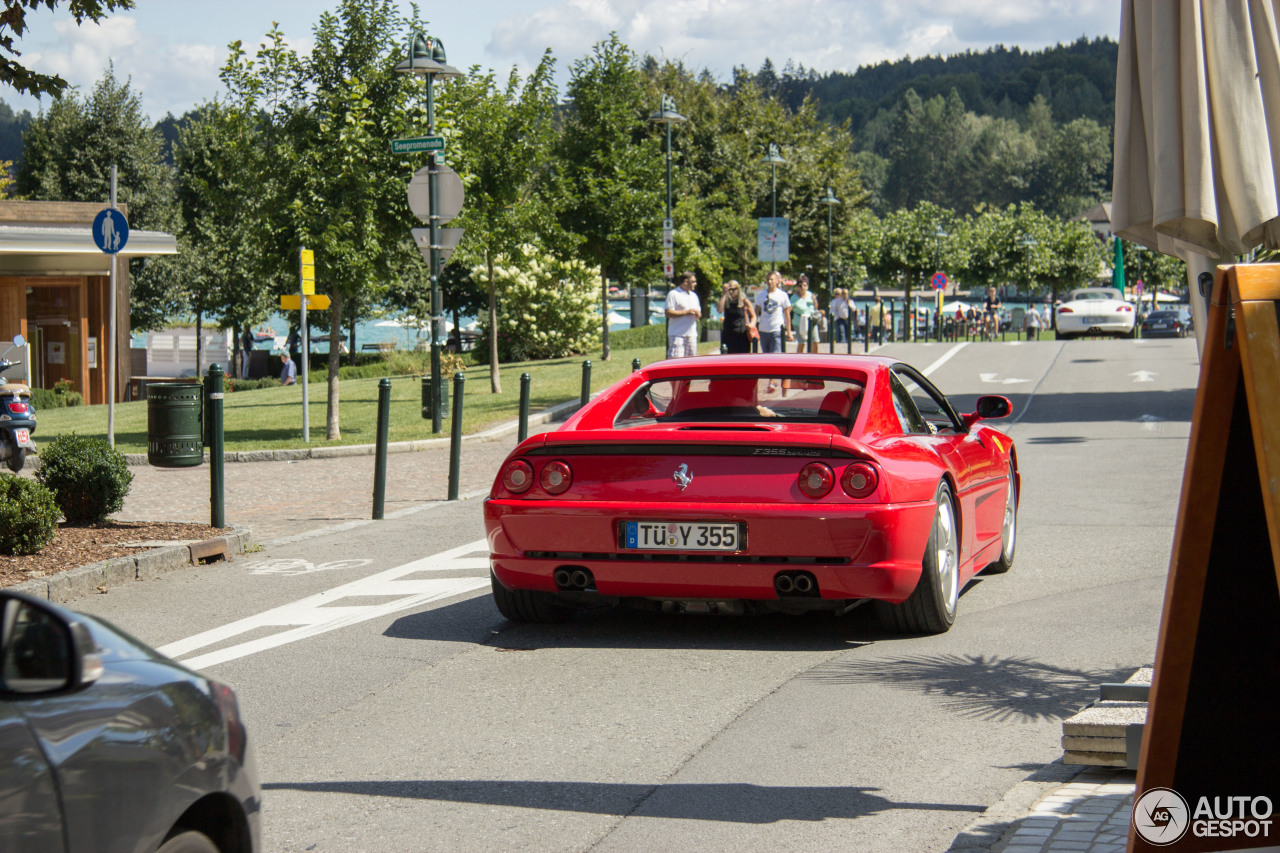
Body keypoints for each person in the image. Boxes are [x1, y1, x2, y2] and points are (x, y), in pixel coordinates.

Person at [754, 271, 793, 354]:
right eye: (768, 280)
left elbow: (787, 314)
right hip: (763, 330)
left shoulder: (782, 295)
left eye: (772, 280)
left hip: (776, 329)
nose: (769, 282)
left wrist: (789, 332)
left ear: (777, 281)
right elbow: (756, 312)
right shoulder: (761, 295)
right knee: (765, 355)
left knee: (775, 355)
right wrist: (754, 327)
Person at [664, 271, 701, 358]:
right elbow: (668, 313)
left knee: (692, 363)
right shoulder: (674, 294)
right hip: (677, 334)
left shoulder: (694, 296)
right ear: (685, 282)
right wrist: (686, 312)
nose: (695, 284)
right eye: (693, 281)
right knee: (676, 361)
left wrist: (697, 313)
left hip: (691, 335)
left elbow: (699, 314)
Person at [717, 280, 757, 354]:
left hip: (742, 335)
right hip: (728, 335)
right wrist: (724, 294)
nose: (731, 292)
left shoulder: (744, 301)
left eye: (733, 289)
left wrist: (751, 325)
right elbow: (719, 310)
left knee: (742, 359)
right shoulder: (726, 300)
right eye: (729, 290)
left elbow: (753, 316)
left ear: (738, 289)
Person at [791, 275, 824, 353]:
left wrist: (815, 301)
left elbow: (815, 307)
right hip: (799, 322)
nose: (802, 287)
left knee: (815, 341)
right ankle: (799, 360)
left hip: (811, 321)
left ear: (807, 286)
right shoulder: (794, 298)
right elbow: (789, 310)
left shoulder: (810, 295)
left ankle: (814, 359)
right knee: (801, 343)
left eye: (805, 285)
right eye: (800, 285)